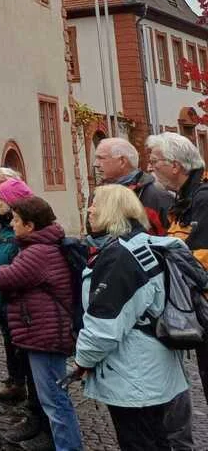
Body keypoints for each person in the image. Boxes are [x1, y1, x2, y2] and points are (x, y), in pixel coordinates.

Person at [76, 184, 190, 451]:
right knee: (156, 438)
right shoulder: (144, 243)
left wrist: (83, 360)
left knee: (139, 441)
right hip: (155, 368)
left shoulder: (119, 257)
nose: (90, 209)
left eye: (96, 204)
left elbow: (104, 326)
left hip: (134, 376)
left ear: (112, 211)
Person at [0, 196, 85, 451]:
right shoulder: (44, 246)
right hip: (44, 331)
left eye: (17, 220)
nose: (12, 224)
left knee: (54, 400)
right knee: (53, 398)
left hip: (45, 334)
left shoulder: (38, 253)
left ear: (31, 225)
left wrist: (4, 269)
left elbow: (3, 276)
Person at [146, 132, 208, 408]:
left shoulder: (202, 200)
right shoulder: (185, 198)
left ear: (176, 165)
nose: (150, 167)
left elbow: (198, 261)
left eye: (155, 161)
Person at [0, 177, 48, 447]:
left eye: (0, 198)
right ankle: (31, 412)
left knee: (37, 372)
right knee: (20, 358)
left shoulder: (25, 239)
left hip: (25, 314)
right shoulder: (4, 228)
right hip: (9, 309)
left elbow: (17, 275)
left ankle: (41, 424)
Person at [96, 137, 173, 234]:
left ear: (122, 161)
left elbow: (172, 243)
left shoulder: (157, 197)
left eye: (101, 158)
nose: (96, 164)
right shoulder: (98, 194)